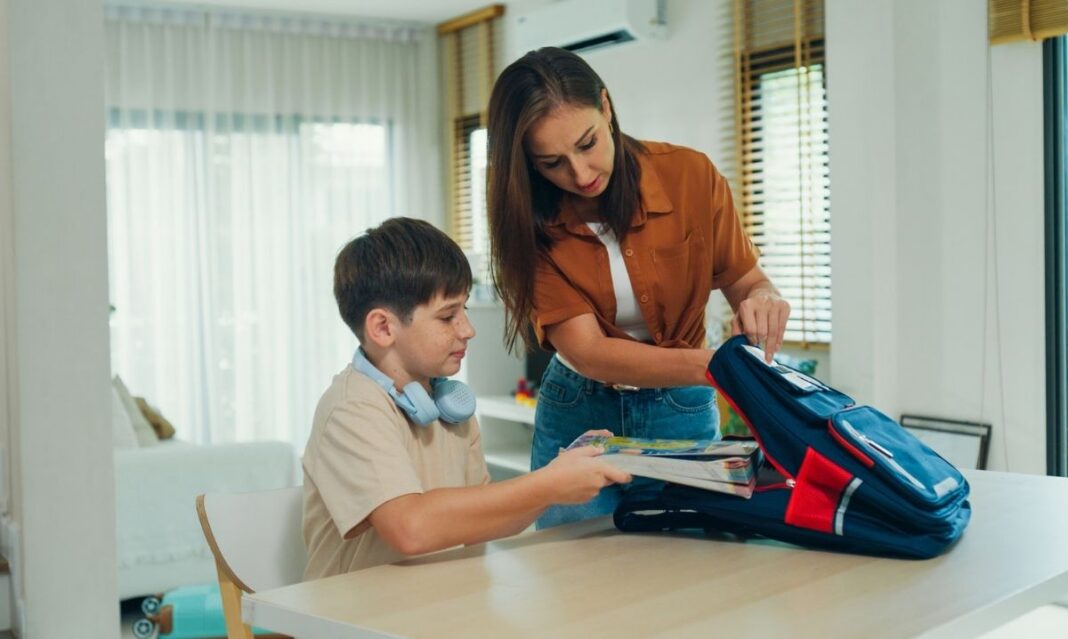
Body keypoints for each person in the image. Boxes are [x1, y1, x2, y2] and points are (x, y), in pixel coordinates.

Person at [486, 47, 791, 528]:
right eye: (552, 163)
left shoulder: (691, 177)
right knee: (574, 567)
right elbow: (590, 352)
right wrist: (716, 366)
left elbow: (746, 279)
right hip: (580, 412)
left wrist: (764, 298)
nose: (580, 174)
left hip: (682, 407)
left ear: (606, 107)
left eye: (587, 144)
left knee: (689, 560)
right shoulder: (527, 221)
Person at [301, 217, 630, 579]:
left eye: (465, 311)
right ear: (383, 328)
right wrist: (546, 483)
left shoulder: (448, 404)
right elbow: (409, 528)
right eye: (447, 317)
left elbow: (485, 523)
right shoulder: (352, 408)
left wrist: (556, 483)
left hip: (438, 602)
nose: (468, 330)